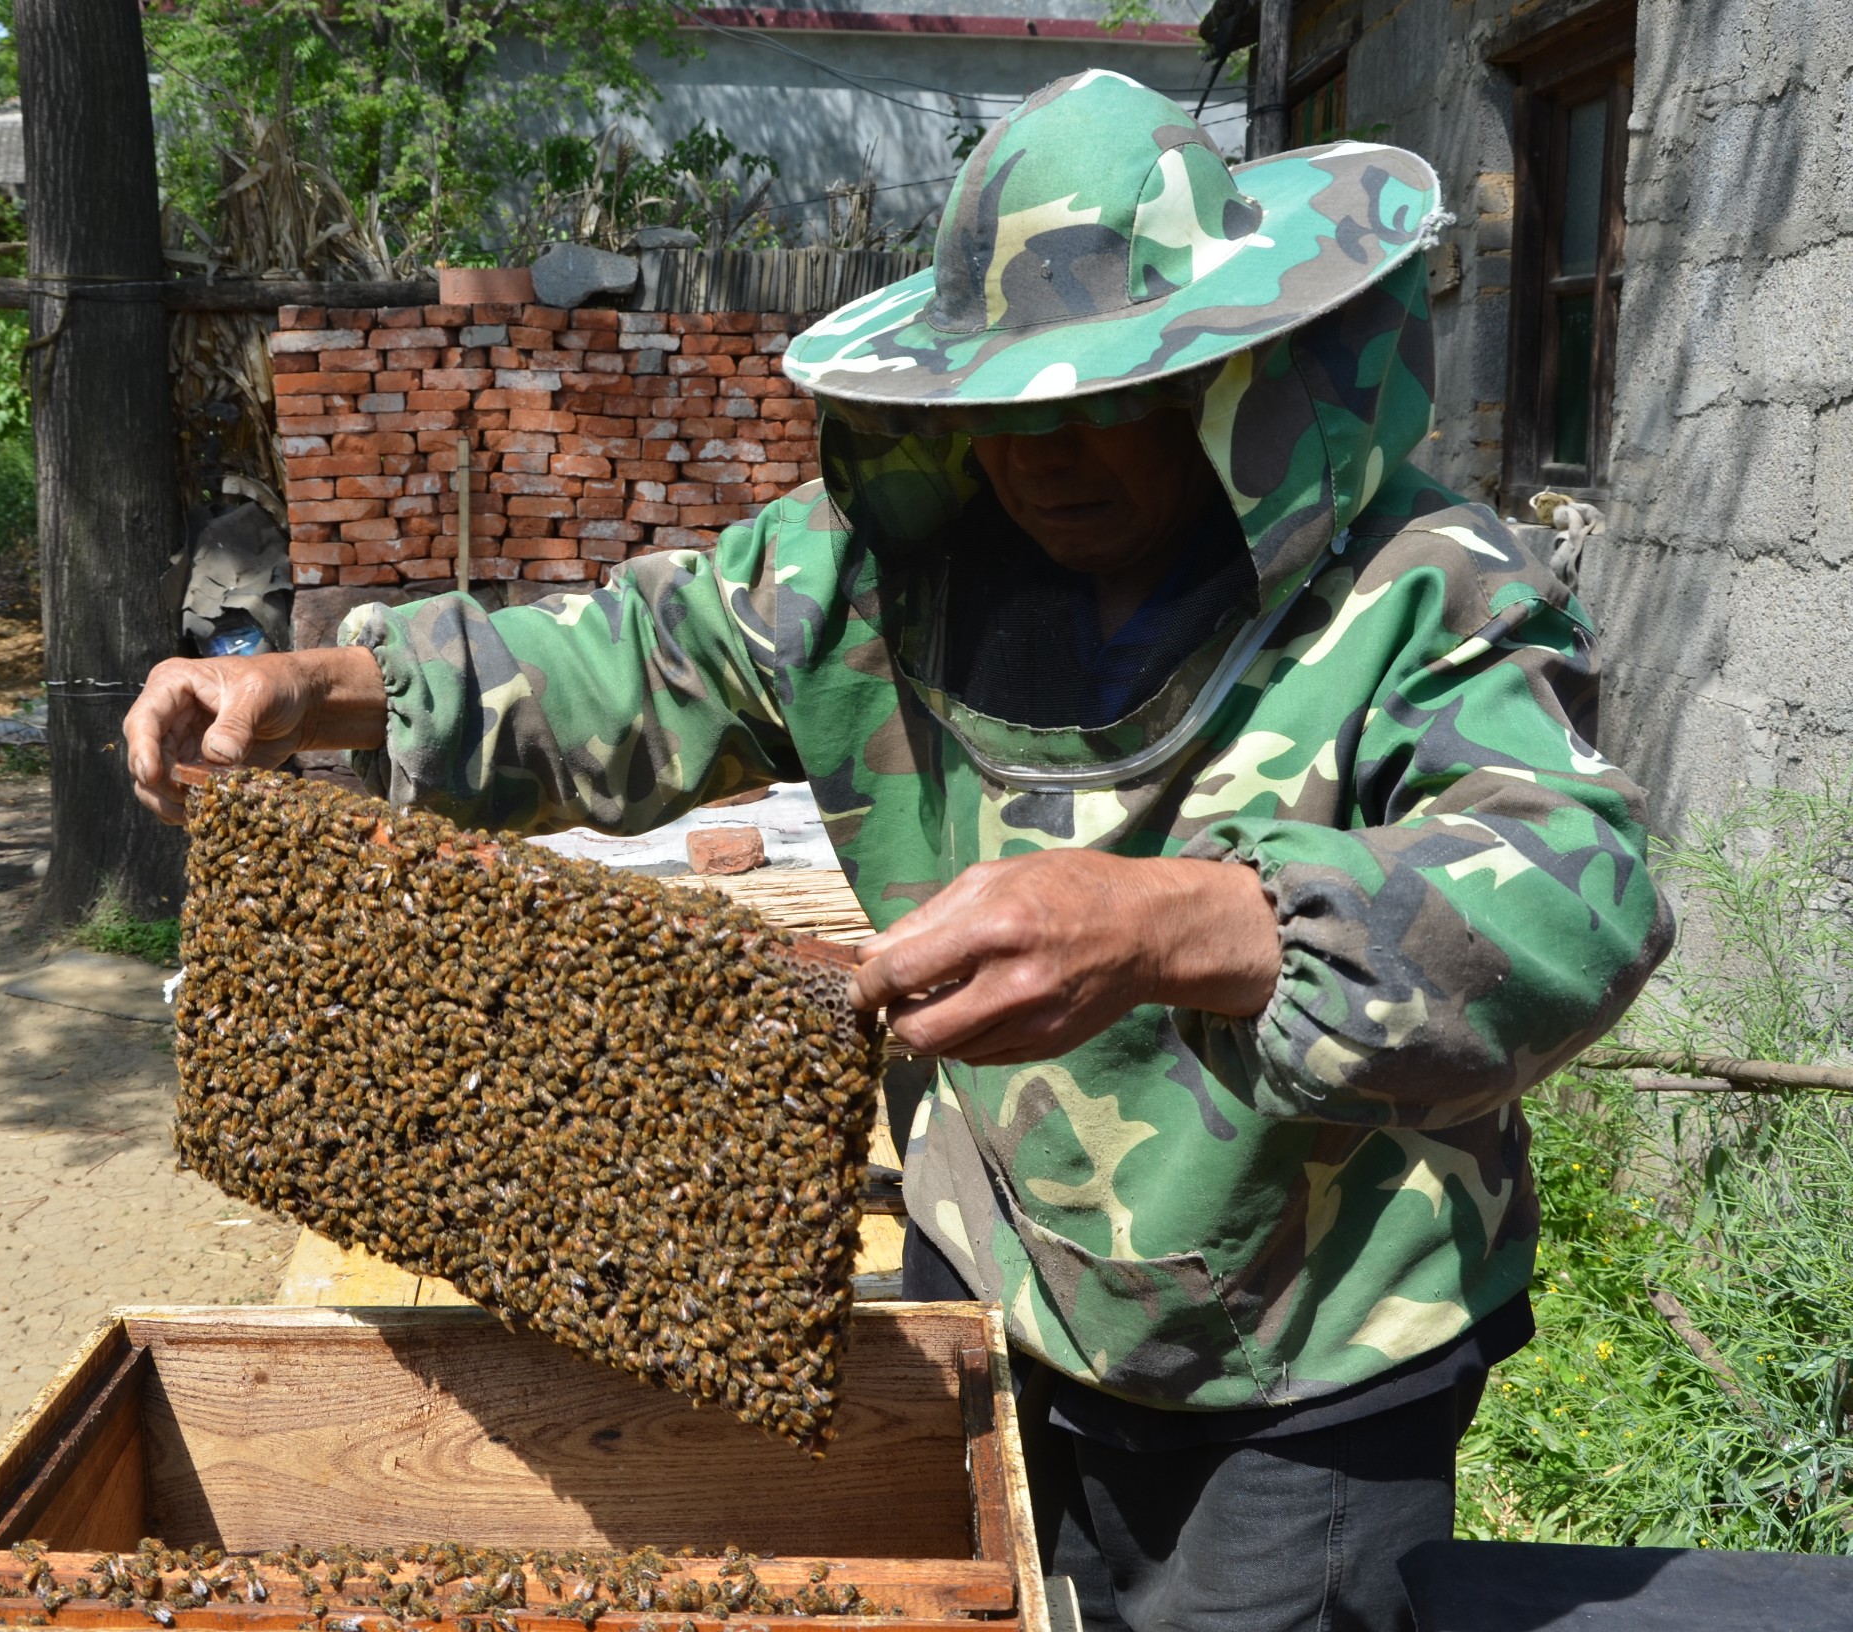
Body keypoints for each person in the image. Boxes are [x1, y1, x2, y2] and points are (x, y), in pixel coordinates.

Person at [125, 72, 1673, 1632]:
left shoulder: (1423, 589)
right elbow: (628, 658)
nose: (1049, 453)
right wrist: (324, 686)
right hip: (984, 1285)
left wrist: (1177, 925)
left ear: (1236, 380)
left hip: (1306, 1366)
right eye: (1010, 404)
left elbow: (1578, 896)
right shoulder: (860, 573)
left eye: (1111, 397)